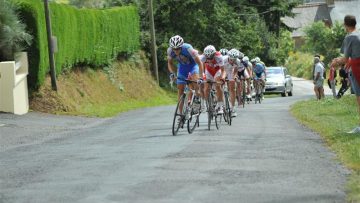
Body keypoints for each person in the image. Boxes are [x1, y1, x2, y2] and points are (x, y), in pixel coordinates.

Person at [331, 15, 360, 133]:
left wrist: (335, 62)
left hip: (357, 68)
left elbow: (345, 59)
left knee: (359, 98)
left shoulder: (350, 37)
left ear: (345, 25)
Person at [167, 35, 204, 113]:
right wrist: (172, 73)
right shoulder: (170, 51)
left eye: (177, 49)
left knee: (195, 82)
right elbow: (169, 63)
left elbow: (200, 63)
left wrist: (200, 77)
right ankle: (181, 114)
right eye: (174, 49)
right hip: (182, 67)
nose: (176, 51)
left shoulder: (188, 49)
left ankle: (197, 99)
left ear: (181, 47)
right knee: (180, 89)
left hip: (193, 66)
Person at [200, 45, 226, 114]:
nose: (209, 59)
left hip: (217, 70)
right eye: (207, 58)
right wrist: (201, 76)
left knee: (217, 86)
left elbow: (223, 70)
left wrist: (223, 78)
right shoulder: (202, 57)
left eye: (211, 57)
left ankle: (220, 106)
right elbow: (198, 67)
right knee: (206, 89)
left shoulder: (219, 56)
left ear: (214, 54)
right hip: (208, 71)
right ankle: (207, 104)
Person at [223, 48, 243, 116]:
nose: (232, 61)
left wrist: (234, 77)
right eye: (231, 59)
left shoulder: (238, 61)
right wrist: (223, 77)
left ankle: (233, 108)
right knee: (219, 85)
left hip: (231, 71)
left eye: (233, 60)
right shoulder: (223, 59)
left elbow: (235, 71)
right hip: (223, 70)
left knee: (233, 89)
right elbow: (221, 70)